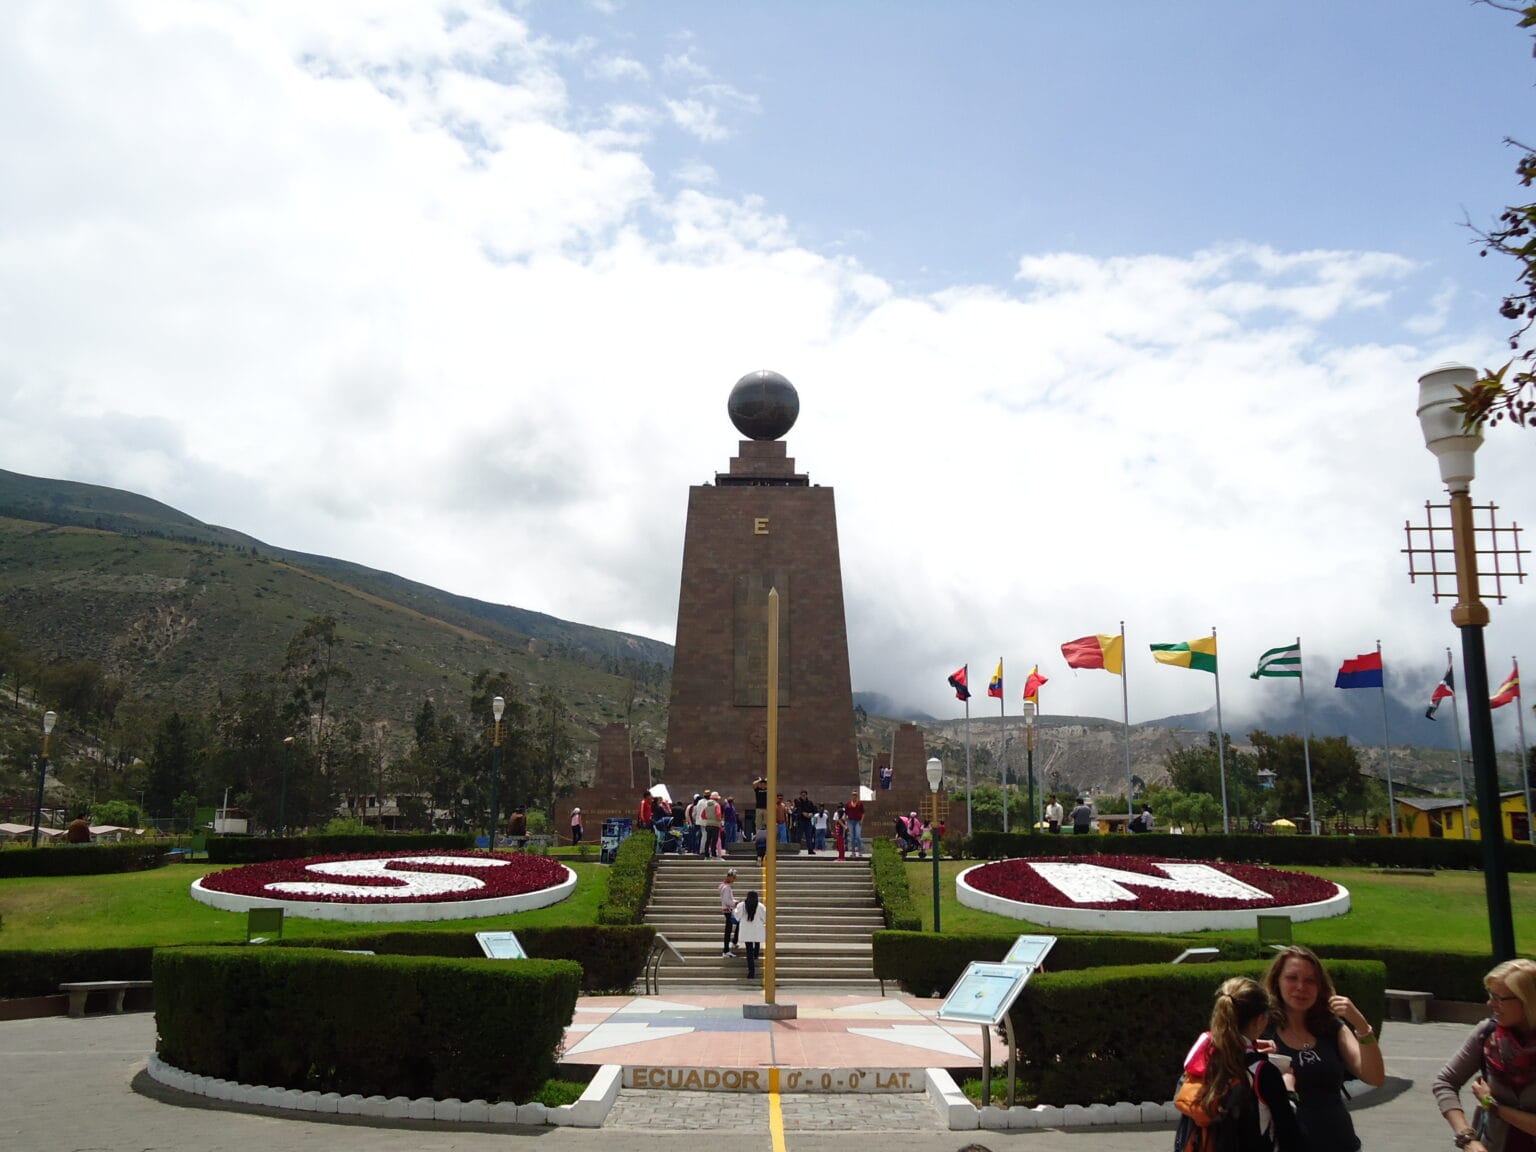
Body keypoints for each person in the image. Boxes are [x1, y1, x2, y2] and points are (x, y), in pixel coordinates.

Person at [1262, 945, 1386, 1151]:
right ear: (1277, 981)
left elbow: (1375, 1077)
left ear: (1320, 987)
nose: (1301, 987)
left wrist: (1361, 1025)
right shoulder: (1263, 1030)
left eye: (1310, 980)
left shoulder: (1332, 1028)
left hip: (1341, 1142)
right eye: (1292, 978)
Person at [1180, 977, 1303, 1152]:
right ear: (1260, 1019)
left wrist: (1253, 1045)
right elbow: (1291, 1135)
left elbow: (1219, 1041)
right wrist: (1289, 1090)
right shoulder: (1263, 1072)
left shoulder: (1202, 1054)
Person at [1433, 957, 1536, 1152]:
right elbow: (1444, 1083)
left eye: (1499, 998)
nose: (1491, 1004)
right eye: (1490, 995)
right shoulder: (1487, 1034)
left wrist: (1493, 1106)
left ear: (1527, 999)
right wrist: (1467, 1138)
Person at [735, 890, 767, 980]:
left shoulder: (742, 905)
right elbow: (765, 918)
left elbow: (737, 917)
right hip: (756, 930)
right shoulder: (760, 906)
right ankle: (756, 955)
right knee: (756, 941)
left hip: (746, 931)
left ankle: (751, 971)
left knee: (749, 950)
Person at [718, 869, 739, 957]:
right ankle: (726, 950)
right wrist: (735, 903)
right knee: (728, 930)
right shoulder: (726, 887)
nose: (734, 880)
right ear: (729, 877)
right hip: (728, 910)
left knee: (731, 927)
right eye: (733, 878)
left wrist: (734, 901)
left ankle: (733, 942)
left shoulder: (723, 886)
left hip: (727, 910)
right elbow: (726, 900)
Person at [793, 789, 817, 854]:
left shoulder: (810, 802)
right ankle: (796, 850)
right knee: (799, 837)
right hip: (800, 821)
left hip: (808, 821)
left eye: (804, 795)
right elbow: (797, 810)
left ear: (806, 795)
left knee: (809, 836)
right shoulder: (798, 801)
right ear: (800, 795)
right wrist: (803, 813)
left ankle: (810, 850)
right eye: (802, 795)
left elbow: (814, 810)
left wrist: (811, 814)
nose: (803, 796)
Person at [845, 790, 865, 856]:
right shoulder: (848, 804)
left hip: (857, 822)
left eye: (855, 795)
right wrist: (846, 822)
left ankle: (860, 851)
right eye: (853, 795)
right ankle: (853, 852)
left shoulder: (860, 803)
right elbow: (846, 814)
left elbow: (863, 813)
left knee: (858, 836)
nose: (854, 796)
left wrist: (861, 821)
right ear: (851, 796)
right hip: (850, 822)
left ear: (857, 796)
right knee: (852, 837)